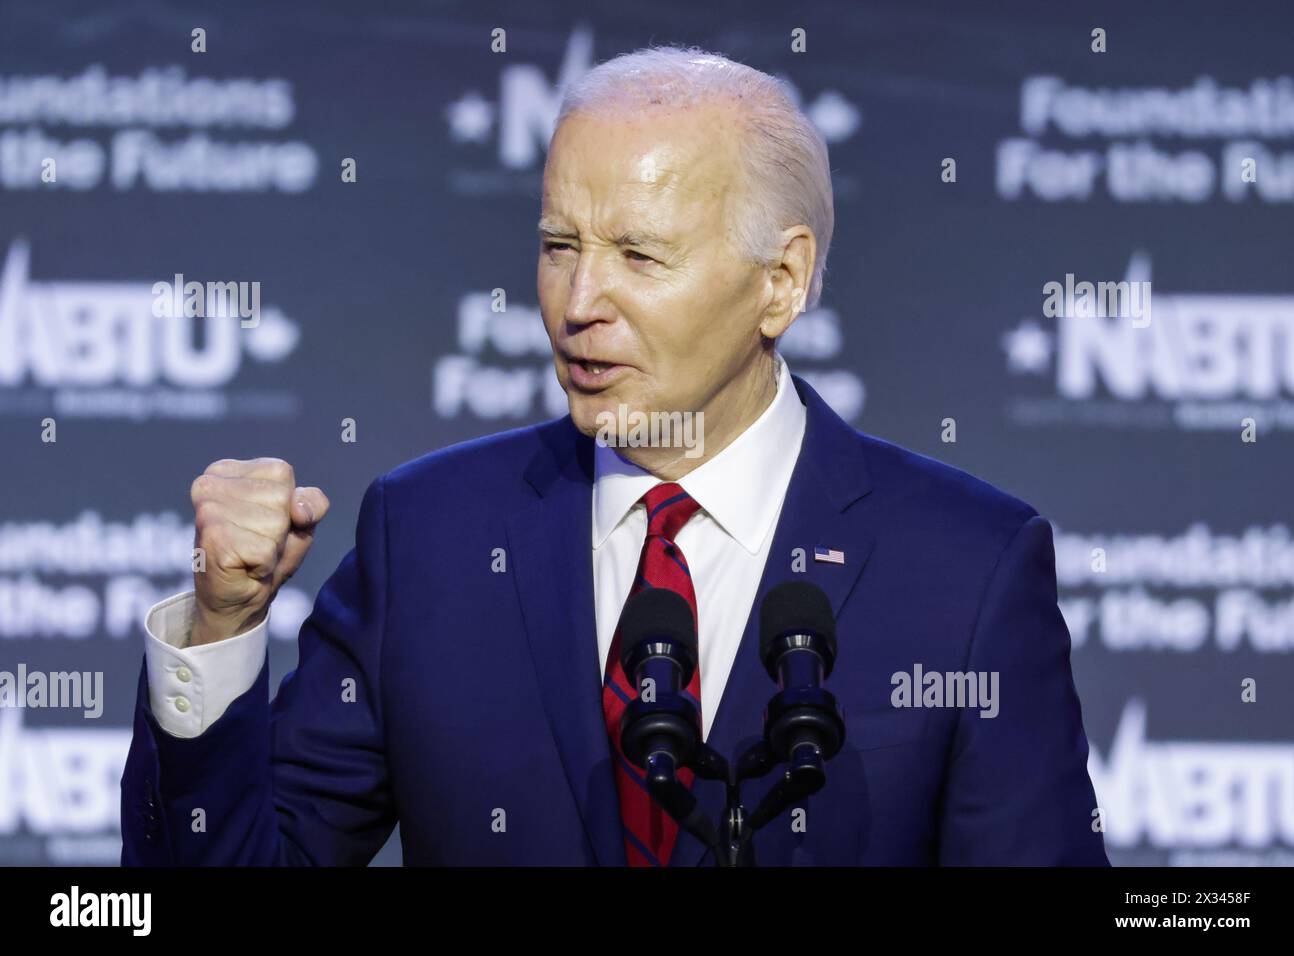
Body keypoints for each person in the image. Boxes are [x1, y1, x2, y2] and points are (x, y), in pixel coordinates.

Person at [121, 45, 1109, 866]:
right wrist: (221, 625)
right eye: (558, 244)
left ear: (782, 280)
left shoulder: (965, 569)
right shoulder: (431, 537)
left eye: (639, 255)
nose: (578, 299)